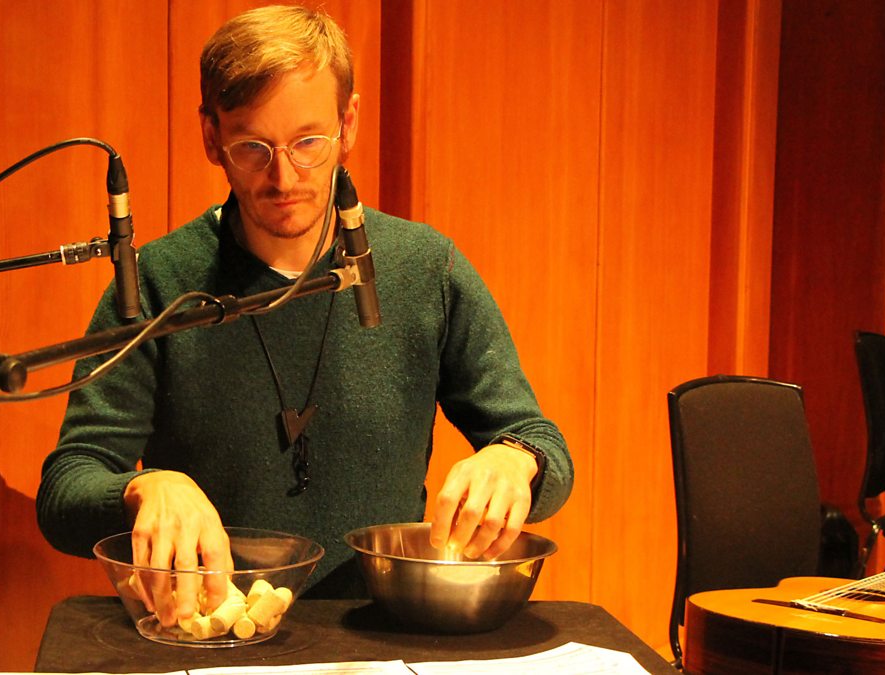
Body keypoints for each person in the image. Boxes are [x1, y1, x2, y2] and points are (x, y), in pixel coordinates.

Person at [36, 4, 572, 627]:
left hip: (385, 635)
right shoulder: (157, 284)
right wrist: (144, 487)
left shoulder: (426, 268)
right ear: (210, 137)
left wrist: (513, 461)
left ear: (349, 123)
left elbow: (544, 447)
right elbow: (66, 489)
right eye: (253, 147)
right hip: (219, 633)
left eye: (309, 143)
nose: (284, 176)